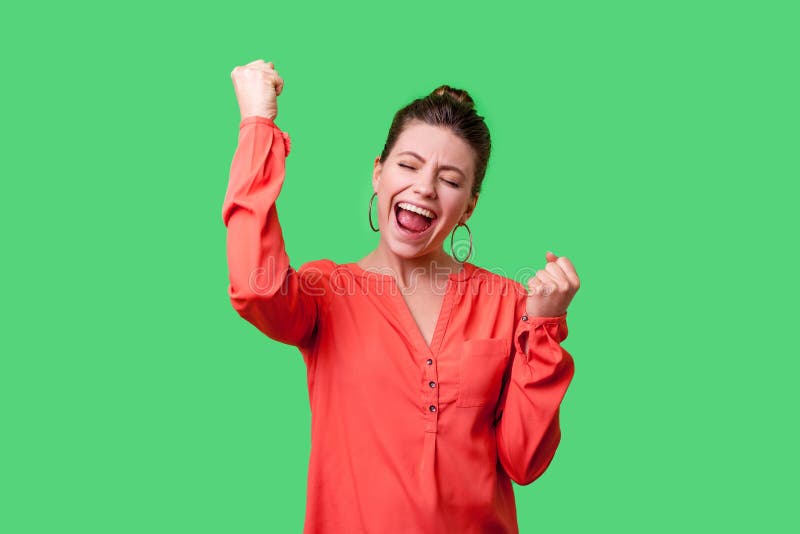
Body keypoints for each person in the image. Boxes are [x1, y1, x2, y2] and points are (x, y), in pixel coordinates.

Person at [223, 59, 580, 534]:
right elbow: (254, 287)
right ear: (378, 174)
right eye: (408, 165)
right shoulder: (325, 294)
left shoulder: (509, 303)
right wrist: (257, 127)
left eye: (450, 180)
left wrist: (546, 328)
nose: (424, 188)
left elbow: (524, 461)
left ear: (469, 205)